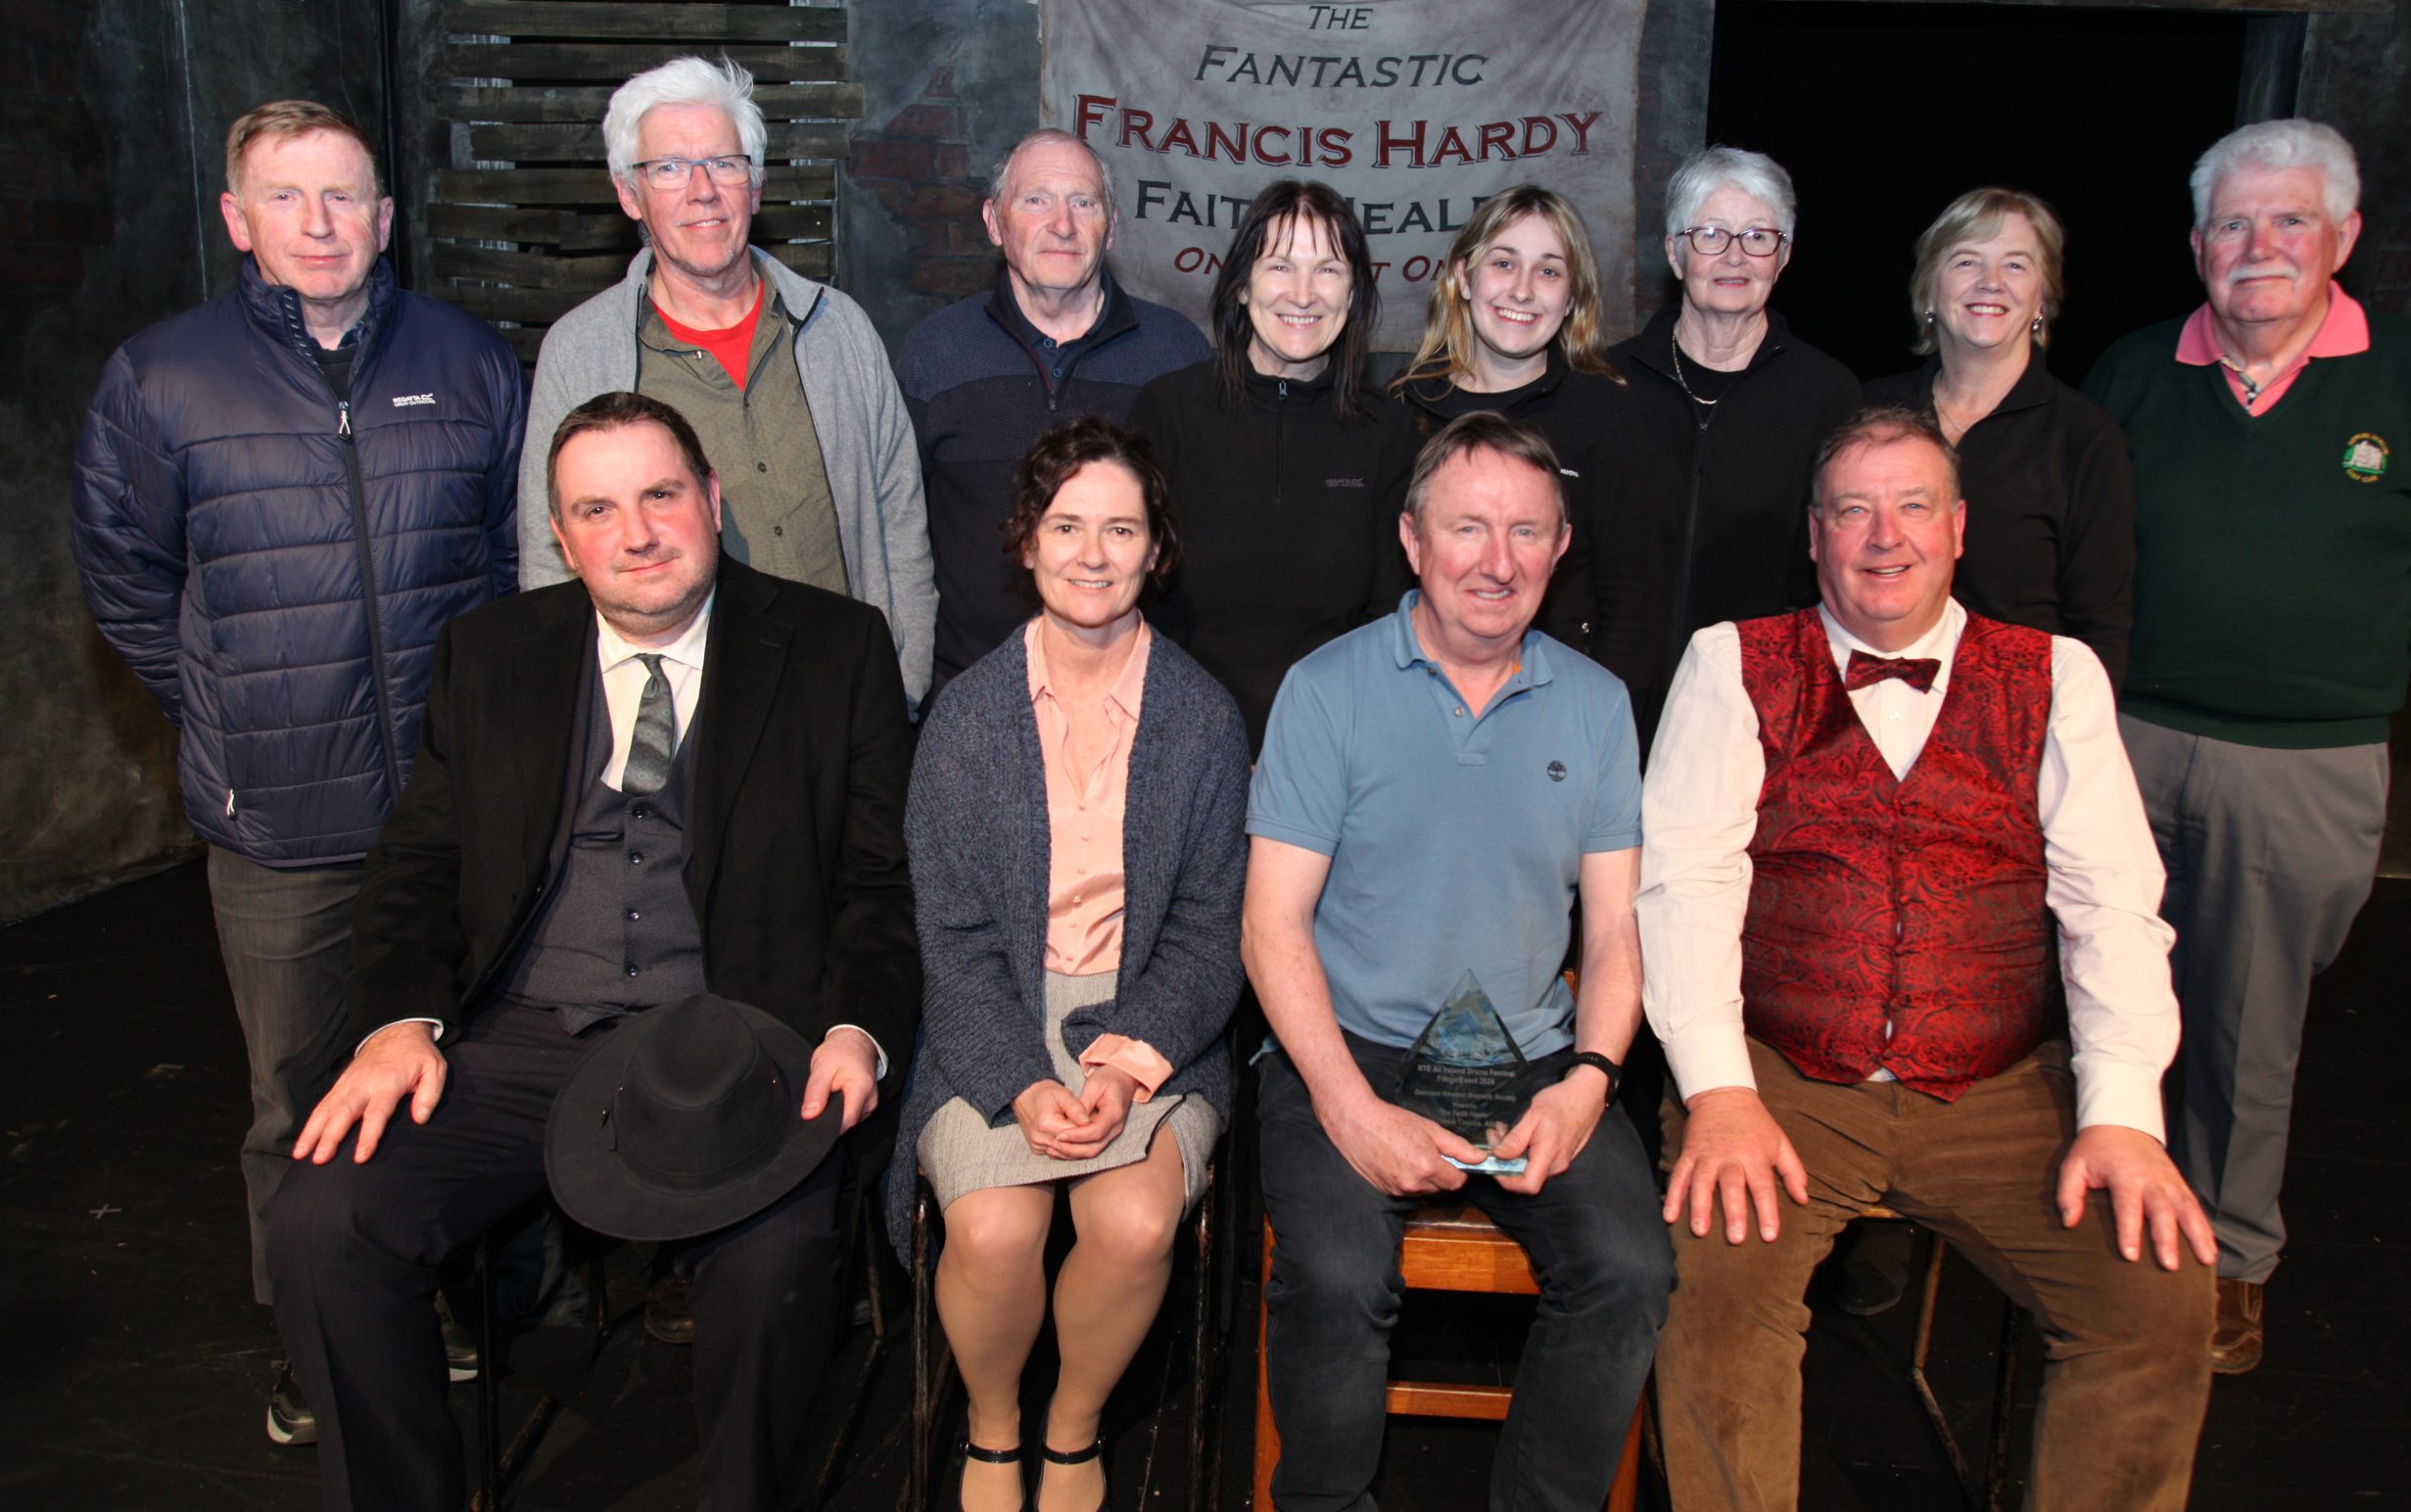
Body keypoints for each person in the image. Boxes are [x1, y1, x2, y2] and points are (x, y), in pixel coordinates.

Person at [264, 393, 920, 1511]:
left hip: (733, 1040)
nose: (638, 531)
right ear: (562, 540)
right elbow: (415, 868)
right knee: (326, 1213)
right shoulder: (491, 652)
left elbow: (878, 884)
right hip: (523, 1030)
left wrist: (854, 1031)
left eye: (661, 494)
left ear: (712, 501)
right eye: (597, 509)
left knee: (771, 1267)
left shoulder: (832, 648)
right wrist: (395, 1026)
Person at [1639, 405, 2217, 1512]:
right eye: (1852, 509)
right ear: (1814, 535)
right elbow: (1685, 887)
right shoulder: (1732, 662)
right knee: (1712, 1285)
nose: (1881, 535)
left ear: (1958, 529)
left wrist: (2123, 1119)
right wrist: (1715, 1094)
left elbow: (2112, 907)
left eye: (1910, 506)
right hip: (1786, 1078)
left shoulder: (2059, 675)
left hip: (2000, 1087)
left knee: (2155, 1291)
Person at [71, 97, 526, 1441]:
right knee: (296, 1091)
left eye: (346, 196)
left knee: (464, 1063)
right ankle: (316, 1342)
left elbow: (511, 572)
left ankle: (439, 1296)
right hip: (279, 819)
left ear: (387, 216)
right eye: (289, 196)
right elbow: (129, 581)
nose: (321, 224)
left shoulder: (470, 356)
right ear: (239, 217)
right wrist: (221, 708)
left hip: (453, 808)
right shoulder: (162, 377)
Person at [2085, 118, 2411, 1373]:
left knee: (2243, 1027)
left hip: (2306, 762)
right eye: (2233, 223)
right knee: (2096, 990)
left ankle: (2231, 1256)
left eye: (2289, 221)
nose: (2258, 246)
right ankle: (2100, 1225)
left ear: (2344, 238)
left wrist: (2346, 678)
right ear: (2197, 243)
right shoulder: (2137, 371)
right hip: (2131, 741)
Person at [1244, 411, 1670, 1512]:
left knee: (1630, 1271)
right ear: (1411, 539)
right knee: (1337, 1276)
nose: (1497, 560)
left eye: (1527, 531)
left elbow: (1616, 932)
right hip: (1343, 1048)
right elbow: (1270, 926)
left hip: (1531, 1056)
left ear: (1560, 547)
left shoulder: (1597, 701)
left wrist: (1591, 1082)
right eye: (1468, 528)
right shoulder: (1325, 689)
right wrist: (1345, 1106)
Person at [887, 414, 1248, 1512]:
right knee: (994, 1227)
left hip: (1153, 1020)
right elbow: (947, 935)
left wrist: (1128, 1064)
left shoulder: (1203, 719)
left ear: (1156, 549)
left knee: (1134, 1221)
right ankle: (993, 1429)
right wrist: (1023, 1079)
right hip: (992, 1013)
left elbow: (1211, 924)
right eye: (1068, 525)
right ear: (1027, 542)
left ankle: (1074, 1424)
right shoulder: (964, 719)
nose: (1093, 553)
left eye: (1121, 529)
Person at [519, 54, 936, 704]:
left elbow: (902, 518)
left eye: (723, 163)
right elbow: (551, 558)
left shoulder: (839, 330)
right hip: (686, 725)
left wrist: (901, 683)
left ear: (757, 184)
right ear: (630, 193)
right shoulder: (582, 353)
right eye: (669, 169)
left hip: (846, 704)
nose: (702, 190)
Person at [897, 129, 1209, 691]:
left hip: (1137, 693)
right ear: (994, 222)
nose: (1062, 224)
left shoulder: (1177, 353)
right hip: (969, 695)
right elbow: (898, 539)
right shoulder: (933, 355)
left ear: (1110, 227)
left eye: (1083, 202)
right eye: (1036, 199)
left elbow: (1204, 535)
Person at [1127, 181, 1418, 751]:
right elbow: (1131, 601)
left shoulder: (1390, 432)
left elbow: (1393, 623)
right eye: (1280, 266)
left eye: (1328, 269)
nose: (1304, 294)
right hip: (1180, 745)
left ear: (1354, 291)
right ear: (1241, 284)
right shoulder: (1166, 414)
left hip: (1335, 750)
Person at [1606, 146, 1861, 746]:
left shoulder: (1829, 395)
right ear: (1674, 251)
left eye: (1757, 236)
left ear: (1784, 256)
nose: (1734, 256)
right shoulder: (1605, 385)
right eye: (1711, 233)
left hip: (1760, 715)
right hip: (1611, 708)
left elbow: (1840, 568)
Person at [1864, 188, 2137, 686]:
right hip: (1867, 709)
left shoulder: (2084, 438)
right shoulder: (1868, 415)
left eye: (2015, 266)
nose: (1990, 283)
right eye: (1967, 262)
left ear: (2043, 298)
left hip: (2013, 727)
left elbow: (2101, 627)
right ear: (1929, 290)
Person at [1392, 185, 1632, 669]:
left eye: (1548, 271)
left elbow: (1632, 600)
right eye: (1503, 263)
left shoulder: (1610, 414)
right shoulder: (1402, 411)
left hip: (1562, 697)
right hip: (1421, 689)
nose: (1522, 290)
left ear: (1571, 299)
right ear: (1463, 277)